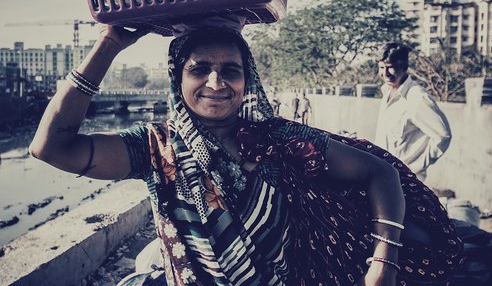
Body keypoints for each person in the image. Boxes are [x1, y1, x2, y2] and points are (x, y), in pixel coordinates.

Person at [30, 19, 462, 286]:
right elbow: (51, 147)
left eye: (230, 71)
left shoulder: (277, 138)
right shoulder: (154, 148)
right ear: (177, 79)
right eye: (199, 69)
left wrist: (383, 261)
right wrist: (109, 44)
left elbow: (380, 173)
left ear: (246, 80)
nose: (216, 82)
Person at [374, 42, 452, 182]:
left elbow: (443, 136)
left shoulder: (417, 98)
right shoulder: (387, 92)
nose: (385, 74)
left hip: (405, 180)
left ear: (404, 67)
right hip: (384, 176)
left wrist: (415, 166)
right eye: (381, 67)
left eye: (390, 68)